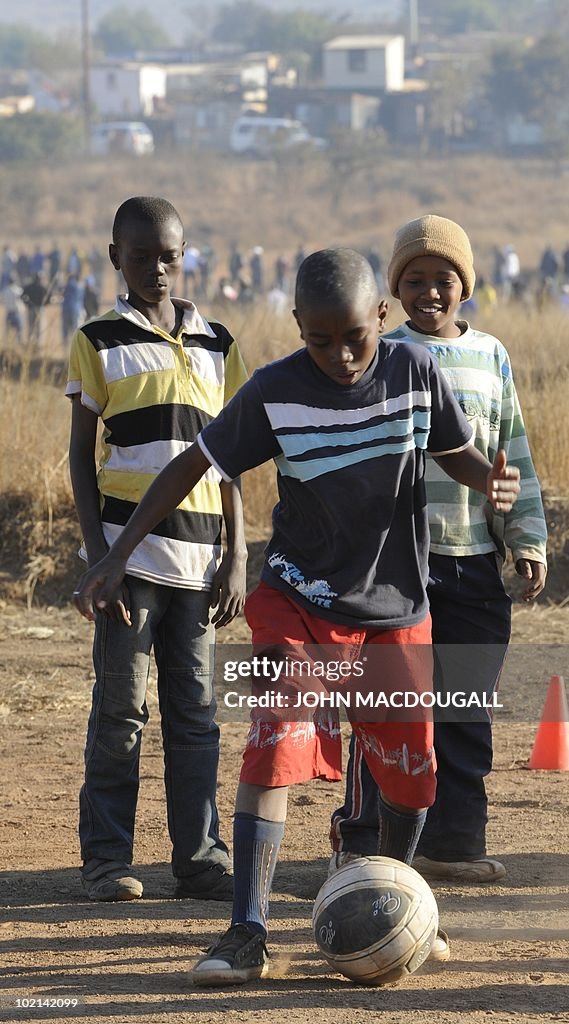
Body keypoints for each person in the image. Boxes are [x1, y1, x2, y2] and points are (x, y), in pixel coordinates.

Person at [73, 247, 521, 984]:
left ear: (382, 316)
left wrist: (489, 481)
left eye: (354, 337)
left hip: (394, 610)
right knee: (274, 744)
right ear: (297, 328)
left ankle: (390, 894)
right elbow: (193, 465)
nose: (341, 356)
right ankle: (246, 931)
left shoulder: (414, 373)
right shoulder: (275, 391)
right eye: (320, 340)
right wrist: (117, 555)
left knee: (411, 779)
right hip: (297, 602)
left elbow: (457, 451)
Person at [330, 215, 547, 885]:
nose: (430, 291)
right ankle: (364, 840)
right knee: (388, 712)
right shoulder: (382, 355)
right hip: (396, 569)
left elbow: (510, 451)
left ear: (464, 286)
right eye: (414, 280)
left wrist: (527, 539)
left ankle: (452, 842)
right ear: (393, 291)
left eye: (443, 279)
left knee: (463, 711)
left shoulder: (490, 355)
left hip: (472, 562)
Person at [66, 196, 249, 903]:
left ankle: (200, 859)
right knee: (120, 713)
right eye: (139, 257)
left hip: (202, 565)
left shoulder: (218, 343)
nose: (156, 269)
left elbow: (232, 456)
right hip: (128, 560)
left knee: (196, 714)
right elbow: (82, 458)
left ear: (184, 254)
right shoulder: (98, 338)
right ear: (116, 258)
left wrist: (237, 554)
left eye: (167, 256)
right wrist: (96, 553)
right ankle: (107, 862)